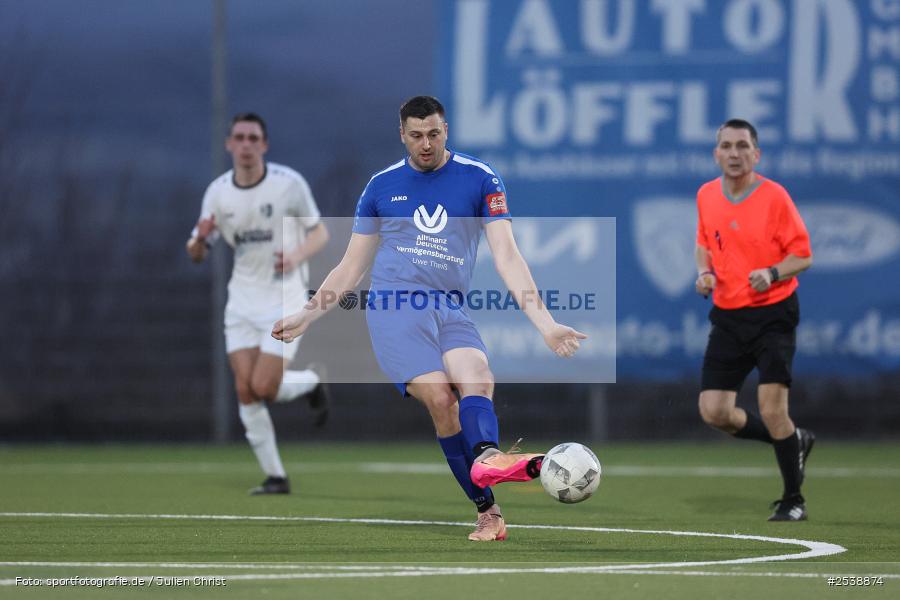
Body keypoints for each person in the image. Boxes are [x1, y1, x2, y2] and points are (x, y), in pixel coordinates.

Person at [272, 96, 587, 541]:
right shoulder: (381, 187)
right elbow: (351, 265)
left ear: (446, 131)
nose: (426, 144)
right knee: (442, 399)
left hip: (449, 306)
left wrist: (547, 324)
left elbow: (507, 256)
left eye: (434, 134)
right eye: (416, 135)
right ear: (402, 134)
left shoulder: (480, 179)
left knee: (478, 376)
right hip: (395, 308)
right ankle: (487, 510)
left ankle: (488, 456)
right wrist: (308, 313)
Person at [187, 112, 331, 495]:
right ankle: (276, 477)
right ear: (229, 144)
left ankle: (312, 381)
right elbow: (197, 252)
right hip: (241, 303)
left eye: (253, 138)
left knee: (265, 386)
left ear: (264, 145)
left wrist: (297, 256)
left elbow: (320, 234)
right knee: (246, 390)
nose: (246, 144)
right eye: (240, 137)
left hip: (284, 299)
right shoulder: (218, 192)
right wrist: (198, 241)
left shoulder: (288, 185)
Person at [694, 118, 815, 521]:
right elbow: (703, 245)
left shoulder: (775, 197)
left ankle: (793, 500)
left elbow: (803, 256)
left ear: (756, 154)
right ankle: (793, 441)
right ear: (716, 154)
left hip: (772, 313)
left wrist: (774, 272)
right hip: (728, 314)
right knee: (714, 411)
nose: (734, 153)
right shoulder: (707, 195)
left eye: (742, 146)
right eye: (726, 146)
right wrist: (704, 273)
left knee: (772, 406)